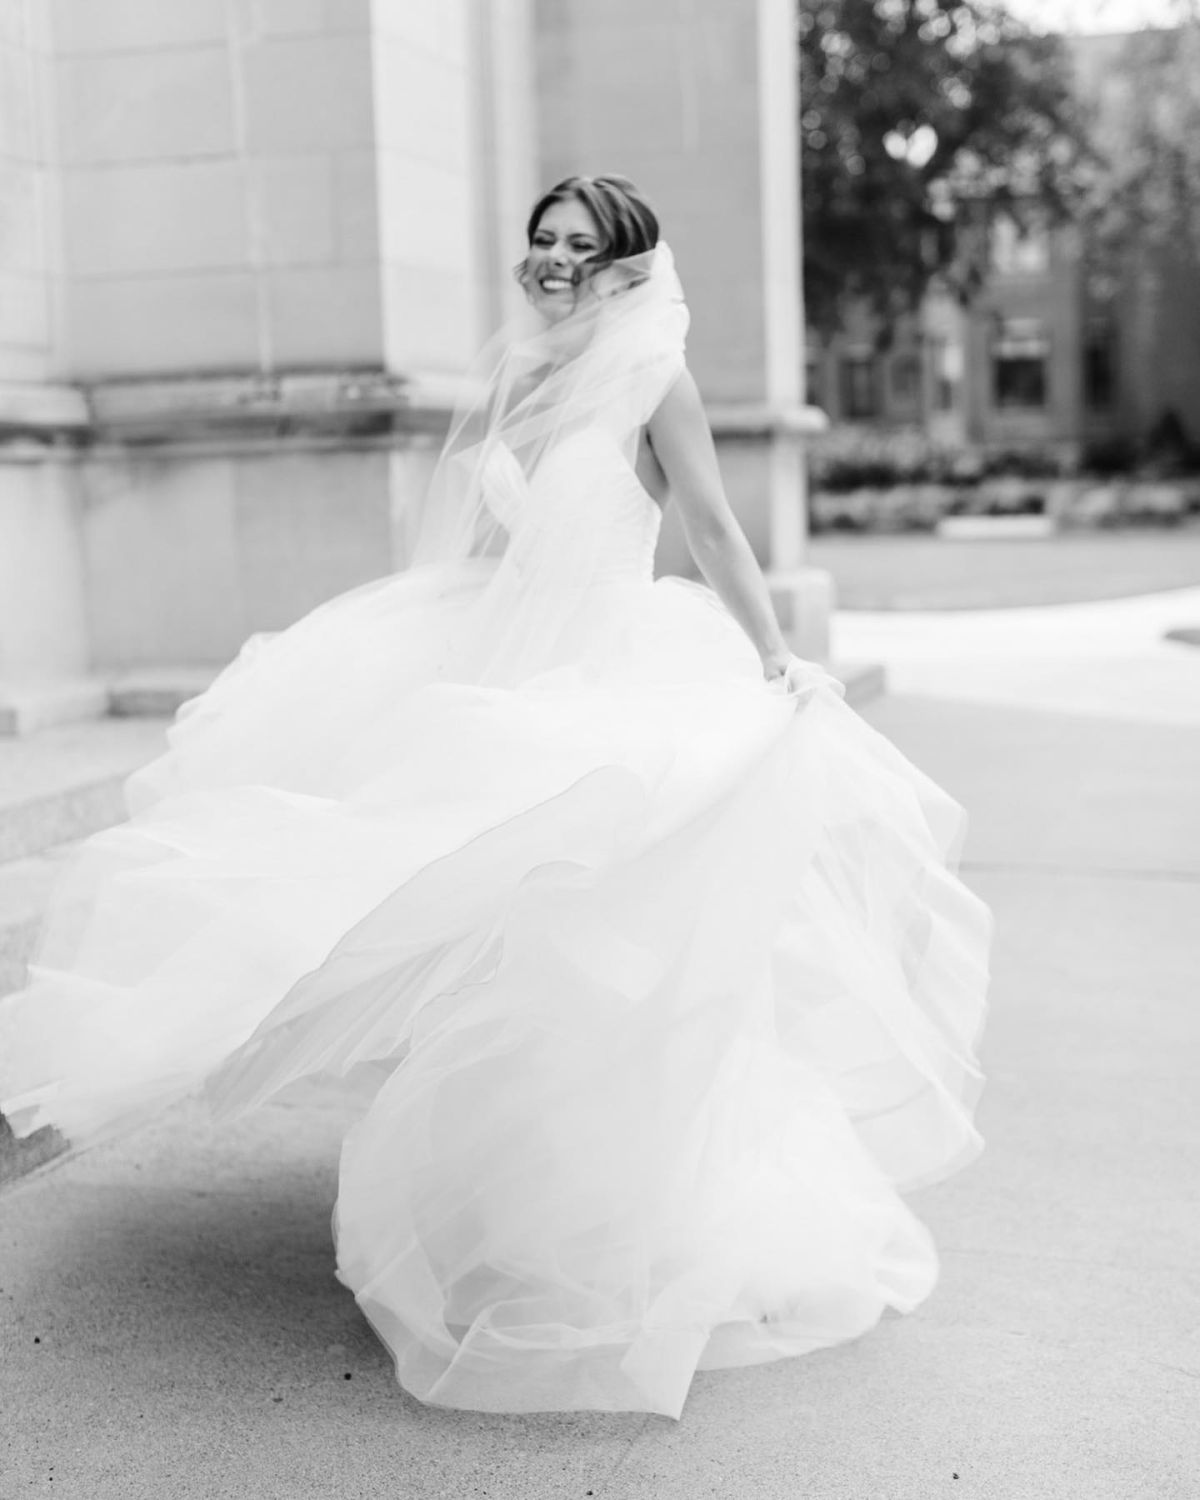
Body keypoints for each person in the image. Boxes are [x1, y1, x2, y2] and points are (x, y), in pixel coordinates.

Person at [0, 175, 990, 1420]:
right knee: (487, 954)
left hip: (616, 684)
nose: (557, 260)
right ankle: (513, 1213)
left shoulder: (657, 380)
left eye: (582, 245)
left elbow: (712, 528)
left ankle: (629, 1227)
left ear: (628, 267)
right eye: (544, 241)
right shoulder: (519, 379)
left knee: (608, 960)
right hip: (520, 679)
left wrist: (776, 656)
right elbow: (482, 553)